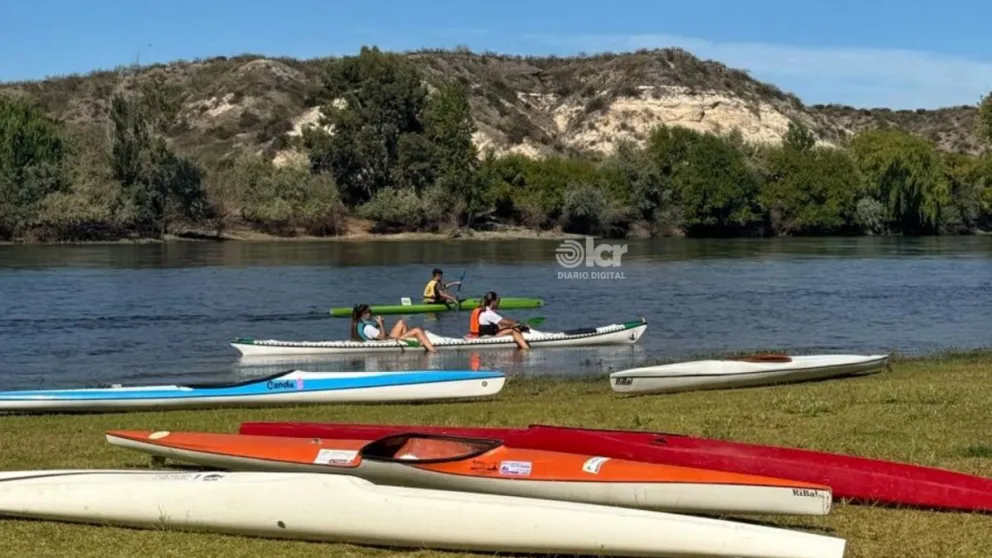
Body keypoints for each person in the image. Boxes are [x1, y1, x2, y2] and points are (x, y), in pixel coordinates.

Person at [350, 304, 437, 352]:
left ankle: (409, 343)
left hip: (388, 338)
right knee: (417, 330)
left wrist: (380, 324)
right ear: (363, 314)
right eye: (369, 312)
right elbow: (383, 337)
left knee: (401, 323)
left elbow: (375, 333)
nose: (371, 313)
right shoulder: (368, 327)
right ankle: (433, 351)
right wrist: (380, 324)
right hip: (388, 341)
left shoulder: (360, 324)